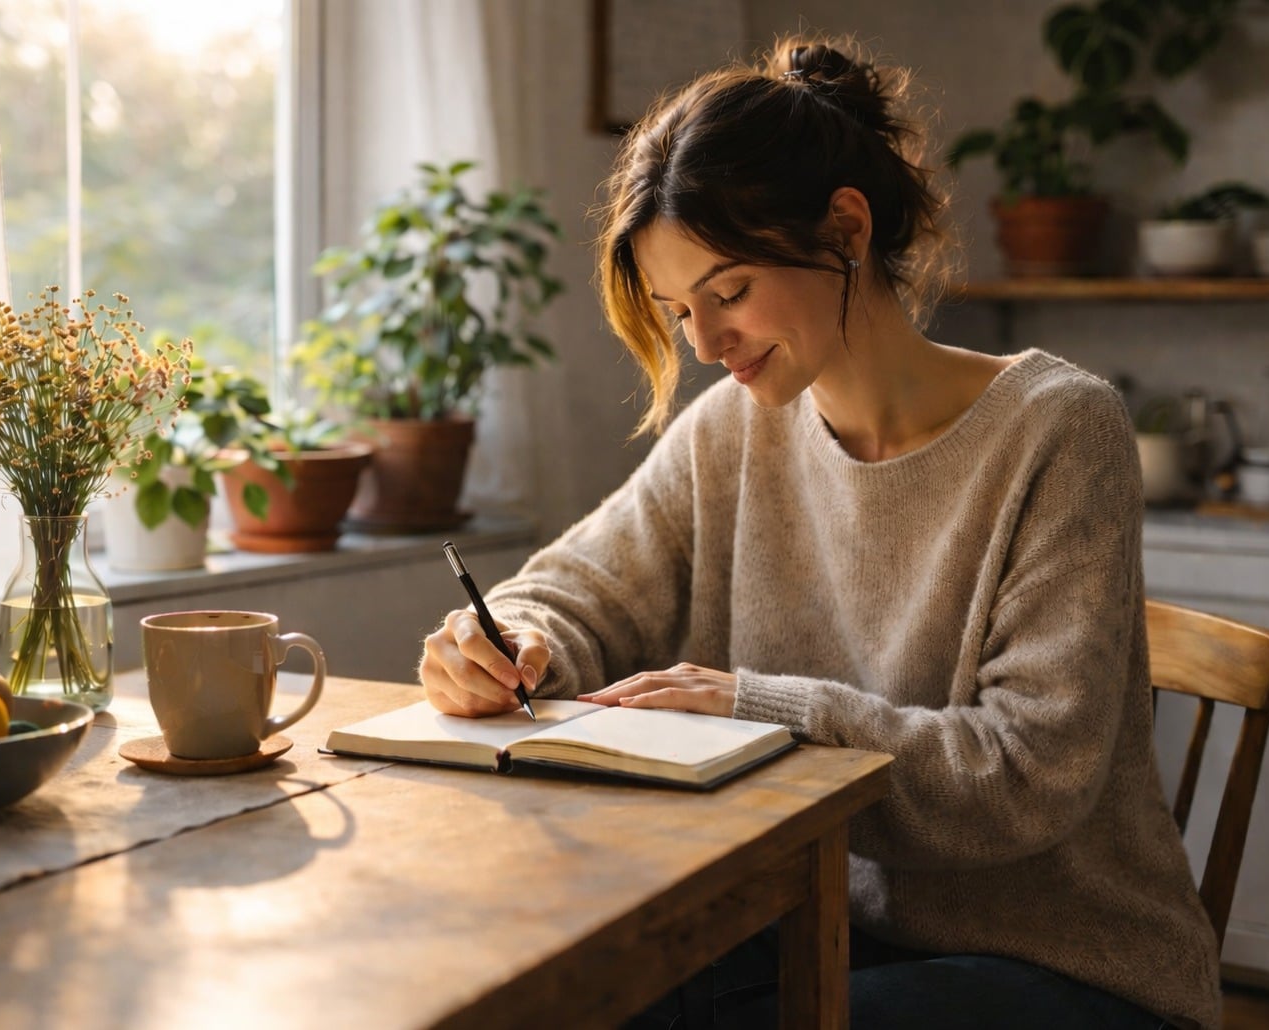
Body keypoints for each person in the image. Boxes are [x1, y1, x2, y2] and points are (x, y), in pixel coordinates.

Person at [418, 33, 1221, 1030]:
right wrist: (511, 642)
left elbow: (1023, 776)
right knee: (562, 984)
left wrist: (757, 707)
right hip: (837, 918)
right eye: (678, 312)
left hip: (1070, 959)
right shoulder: (734, 432)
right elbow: (579, 588)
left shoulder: (1061, 428)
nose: (707, 345)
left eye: (729, 291)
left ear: (846, 229)